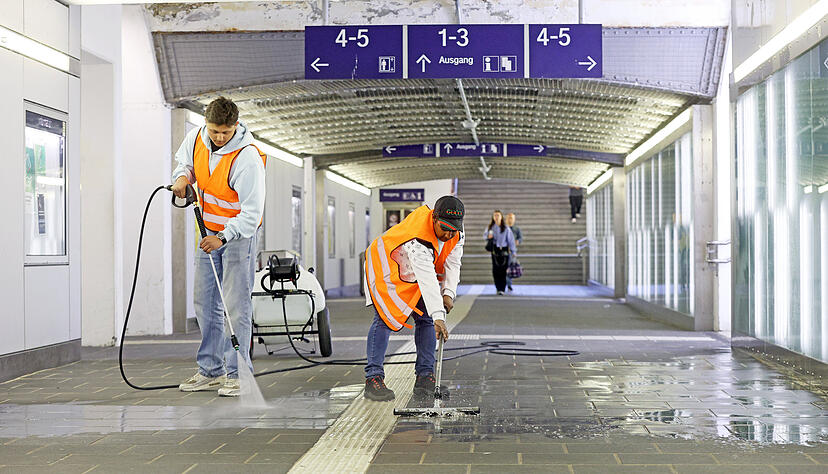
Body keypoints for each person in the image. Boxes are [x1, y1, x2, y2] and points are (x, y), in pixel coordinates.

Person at [171, 97, 267, 397]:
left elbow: (251, 214)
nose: (219, 137)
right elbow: (185, 164)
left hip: (238, 237)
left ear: (235, 126)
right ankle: (210, 370)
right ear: (206, 124)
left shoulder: (247, 158)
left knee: (236, 305)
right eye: (214, 131)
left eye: (225, 132)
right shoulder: (196, 138)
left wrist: (223, 237)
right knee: (204, 301)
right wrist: (182, 178)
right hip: (206, 231)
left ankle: (238, 372)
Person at [363, 196, 465, 401]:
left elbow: (453, 263)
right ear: (434, 219)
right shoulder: (417, 239)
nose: (448, 234)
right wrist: (439, 316)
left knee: (426, 319)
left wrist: (448, 293)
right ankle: (373, 378)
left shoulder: (456, 233)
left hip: (410, 271)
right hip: (387, 268)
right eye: (444, 228)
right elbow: (427, 278)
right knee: (384, 319)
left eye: (453, 229)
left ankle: (425, 377)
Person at [485, 210, 516, 295]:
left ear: (501, 217)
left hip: (504, 250)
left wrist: (513, 251)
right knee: (495, 269)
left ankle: (502, 288)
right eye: (495, 215)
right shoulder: (490, 227)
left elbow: (511, 240)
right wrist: (488, 237)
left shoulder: (505, 228)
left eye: (498, 215)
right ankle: (498, 287)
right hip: (495, 250)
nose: (496, 217)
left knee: (503, 269)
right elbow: (485, 236)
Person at [505, 213, 523, 292]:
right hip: (503, 252)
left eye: (511, 218)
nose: (510, 219)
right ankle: (503, 284)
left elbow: (520, 238)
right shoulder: (503, 228)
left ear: (514, 219)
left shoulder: (517, 229)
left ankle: (508, 284)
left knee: (510, 268)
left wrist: (517, 241)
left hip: (512, 252)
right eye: (509, 218)